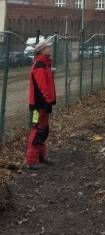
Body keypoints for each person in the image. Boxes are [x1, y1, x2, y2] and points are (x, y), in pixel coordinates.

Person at [24, 38, 57, 170]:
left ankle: (41, 156)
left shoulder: (45, 64)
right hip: (39, 105)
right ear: (41, 50)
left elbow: (47, 84)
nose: (49, 48)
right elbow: (42, 86)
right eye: (47, 47)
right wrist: (47, 101)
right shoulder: (39, 65)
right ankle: (31, 161)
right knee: (37, 130)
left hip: (44, 103)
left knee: (43, 130)